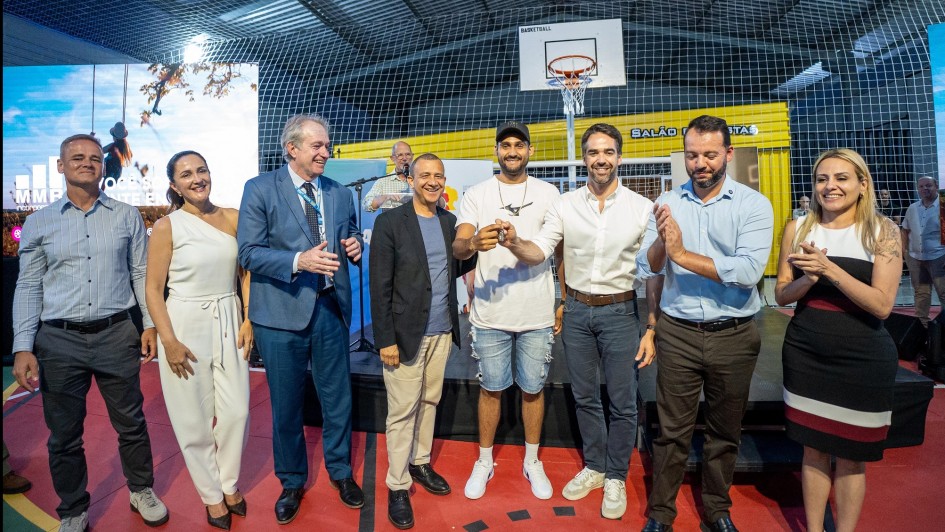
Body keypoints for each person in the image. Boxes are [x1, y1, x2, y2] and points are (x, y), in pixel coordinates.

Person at [500, 123, 659, 520]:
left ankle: (616, 475)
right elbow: (539, 251)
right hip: (576, 311)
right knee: (585, 396)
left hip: (622, 311)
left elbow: (654, 270)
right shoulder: (565, 205)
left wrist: (652, 327)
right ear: (585, 157)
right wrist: (515, 241)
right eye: (593, 152)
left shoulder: (642, 208)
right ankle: (595, 467)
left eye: (608, 152)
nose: (600, 159)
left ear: (619, 157)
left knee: (623, 401)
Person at [11, 134, 169, 532]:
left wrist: (149, 324)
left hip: (117, 335)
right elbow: (28, 286)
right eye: (77, 157)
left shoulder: (126, 216)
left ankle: (141, 489)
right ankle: (73, 509)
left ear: (104, 166)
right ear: (61, 166)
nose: (88, 163)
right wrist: (22, 346)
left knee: (131, 423)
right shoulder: (38, 222)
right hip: (58, 341)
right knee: (64, 436)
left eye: (95, 158)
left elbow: (139, 275)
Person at [636, 115, 774, 532]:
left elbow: (748, 271)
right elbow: (649, 266)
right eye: (692, 155)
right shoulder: (667, 203)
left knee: (723, 430)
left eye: (710, 154)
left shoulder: (754, 204)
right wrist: (663, 241)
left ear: (728, 154)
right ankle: (661, 513)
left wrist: (680, 253)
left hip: (734, 333)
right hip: (678, 332)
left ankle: (717, 509)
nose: (700, 163)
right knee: (671, 431)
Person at [237, 114, 364, 524]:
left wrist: (355, 245)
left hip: (329, 310)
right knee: (287, 405)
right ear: (291, 148)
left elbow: (355, 234)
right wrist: (298, 260)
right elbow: (249, 253)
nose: (326, 153)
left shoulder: (340, 193)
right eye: (318, 146)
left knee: (337, 400)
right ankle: (291, 480)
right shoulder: (259, 189)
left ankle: (340, 473)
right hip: (279, 315)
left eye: (327, 146)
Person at [775, 149, 901, 532]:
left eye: (842, 178)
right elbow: (781, 295)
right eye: (822, 178)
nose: (830, 186)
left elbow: (881, 306)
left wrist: (828, 270)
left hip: (863, 358)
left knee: (851, 457)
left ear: (863, 184)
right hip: (806, 352)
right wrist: (808, 280)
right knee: (813, 450)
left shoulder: (884, 231)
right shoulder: (797, 229)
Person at [452, 121, 560, 501]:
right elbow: (459, 246)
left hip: (535, 312)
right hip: (490, 313)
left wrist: (559, 300)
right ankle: (484, 460)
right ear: (496, 152)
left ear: (529, 151)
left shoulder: (550, 193)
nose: (511, 151)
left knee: (533, 389)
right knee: (490, 389)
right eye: (505, 145)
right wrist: (473, 244)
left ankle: (532, 460)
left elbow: (549, 252)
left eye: (518, 145)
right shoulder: (477, 193)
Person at [146, 151, 253, 530]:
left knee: (237, 410)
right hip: (183, 322)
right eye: (186, 174)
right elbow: (154, 291)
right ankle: (213, 496)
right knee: (192, 418)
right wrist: (168, 340)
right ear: (174, 186)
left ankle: (229, 482)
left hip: (228, 317)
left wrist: (248, 317)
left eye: (202, 170)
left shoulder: (234, 218)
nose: (197, 178)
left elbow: (246, 273)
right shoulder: (167, 227)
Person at [369, 153, 477, 529]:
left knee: (429, 401)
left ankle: (419, 463)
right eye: (425, 175)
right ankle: (397, 486)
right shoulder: (389, 222)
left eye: (438, 176)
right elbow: (379, 286)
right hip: (403, 336)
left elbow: (457, 268)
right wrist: (386, 338)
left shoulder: (451, 223)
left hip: (442, 332)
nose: (432, 181)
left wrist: (482, 245)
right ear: (411, 180)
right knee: (401, 412)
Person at [901, 176, 945, 327]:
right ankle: (922, 328)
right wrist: (904, 251)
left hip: (939, 257)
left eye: (928, 185)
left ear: (936, 186)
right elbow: (905, 230)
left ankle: (943, 329)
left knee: (943, 293)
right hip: (915, 258)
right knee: (921, 294)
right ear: (917, 188)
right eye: (921, 186)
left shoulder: (943, 206)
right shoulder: (912, 208)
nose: (925, 189)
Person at [363, 141, 415, 212]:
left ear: (412, 156)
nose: (404, 158)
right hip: (393, 222)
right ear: (392, 158)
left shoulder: (420, 178)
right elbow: (366, 205)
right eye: (400, 155)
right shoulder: (383, 181)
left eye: (408, 154)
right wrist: (383, 198)